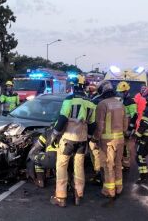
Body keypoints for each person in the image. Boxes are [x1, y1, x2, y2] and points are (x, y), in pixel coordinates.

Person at [49, 75, 96, 207]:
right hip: (82, 140)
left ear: (74, 86)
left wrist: (54, 135)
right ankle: (78, 195)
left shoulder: (69, 99)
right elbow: (92, 124)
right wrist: (89, 137)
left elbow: (62, 118)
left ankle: (61, 197)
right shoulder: (91, 102)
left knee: (61, 166)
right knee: (79, 167)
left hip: (68, 139)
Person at [92, 80, 128, 198]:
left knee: (108, 166)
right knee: (118, 164)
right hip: (120, 140)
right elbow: (125, 125)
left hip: (107, 142)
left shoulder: (102, 104)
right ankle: (119, 188)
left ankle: (109, 191)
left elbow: (100, 125)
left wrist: (95, 139)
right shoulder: (121, 104)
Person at [116, 81, 137, 170]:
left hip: (127, 127)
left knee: (125, 147)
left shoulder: (131, 102)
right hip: (120, 127)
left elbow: (134, 115)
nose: (119, 94)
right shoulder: (121, 101)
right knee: (120, 146)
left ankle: (126, 164)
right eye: (119, 92)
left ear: (126, 92)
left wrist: (130, 128)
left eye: (121, 92)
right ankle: (120, 163)